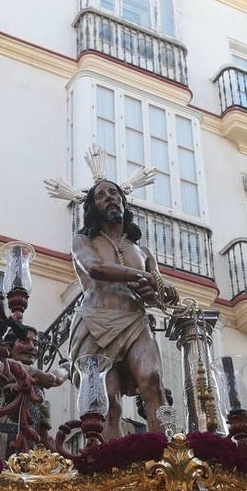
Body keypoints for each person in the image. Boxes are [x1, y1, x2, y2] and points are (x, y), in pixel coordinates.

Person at [70, 179, 177, 439]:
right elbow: (95, 268)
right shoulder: (84, 241)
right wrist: (139, 277)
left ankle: (168, 451)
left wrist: (161, 292)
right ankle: (112, 467)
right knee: (108, 400)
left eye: (114, 192)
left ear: (122, 200)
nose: (110, 197)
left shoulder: (143, 251)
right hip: (96, 321)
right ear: (92, 207)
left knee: (152, 380)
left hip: (135, 321)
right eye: (101, 195)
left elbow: (162, 295)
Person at [0, 322, 68, 457]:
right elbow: (50, 379)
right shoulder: (5, 367)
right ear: (9, 348)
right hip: (3, 443)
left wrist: (68, 460)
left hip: (29, 449)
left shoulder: (38, 391)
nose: (31, 347)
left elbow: (44, 437)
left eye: (35, 343)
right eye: (24, 341)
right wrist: (66, 370)